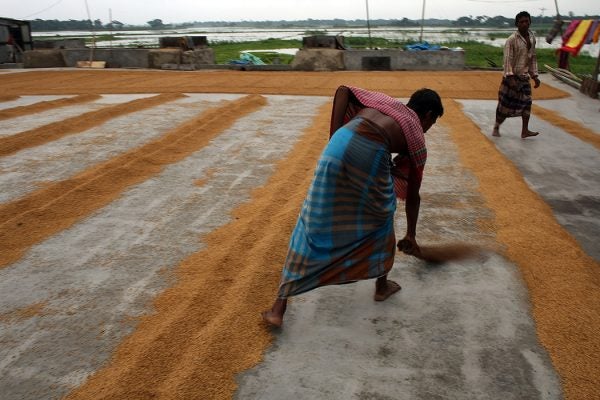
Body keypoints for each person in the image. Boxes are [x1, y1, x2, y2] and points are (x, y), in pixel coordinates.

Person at [261, 85, 444, 328]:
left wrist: (334, 136)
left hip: (337, 146)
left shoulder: (386, 103)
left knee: (312, 219)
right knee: (383, 216)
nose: (428, 130)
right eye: (431, 124)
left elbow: (343, 90)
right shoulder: (415, 134)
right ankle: (381, 286)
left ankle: (278, 309)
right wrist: (411, 233)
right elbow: (413, 195)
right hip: (369, 151)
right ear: (429, 115)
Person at [493, 11, 541, 139]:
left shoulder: (532, 38)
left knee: (527, 104)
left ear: (530, 22)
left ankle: (524, 130)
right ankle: (496, 126)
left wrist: (535, 76)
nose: (525, 24)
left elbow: (532, 58)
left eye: (527, 21)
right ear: (517, 24)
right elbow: (507, 59)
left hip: (524, 78)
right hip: (511, 78)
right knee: (504, 106)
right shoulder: (512, 39)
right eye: (521, 22)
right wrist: (510, 77)